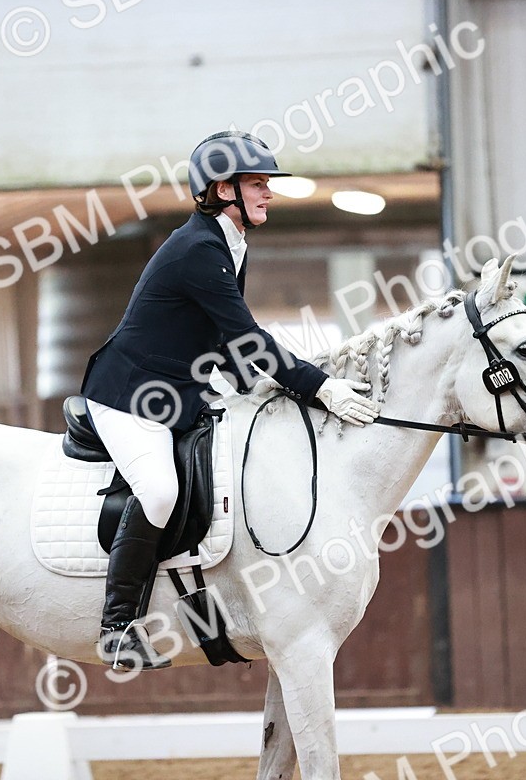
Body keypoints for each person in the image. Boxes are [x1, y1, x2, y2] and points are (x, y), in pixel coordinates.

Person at [80, 130, 381, 671]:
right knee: (158, 490)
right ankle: (117, 626)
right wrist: (320, 387)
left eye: (267, 185)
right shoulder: (198, 249)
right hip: (128, 395)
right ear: (224, 189)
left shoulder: (229, 242)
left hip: (180, 390)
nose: (268, 194)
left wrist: (259, 386)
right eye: (259, 184)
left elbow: (227, 341)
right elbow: (249, 338)